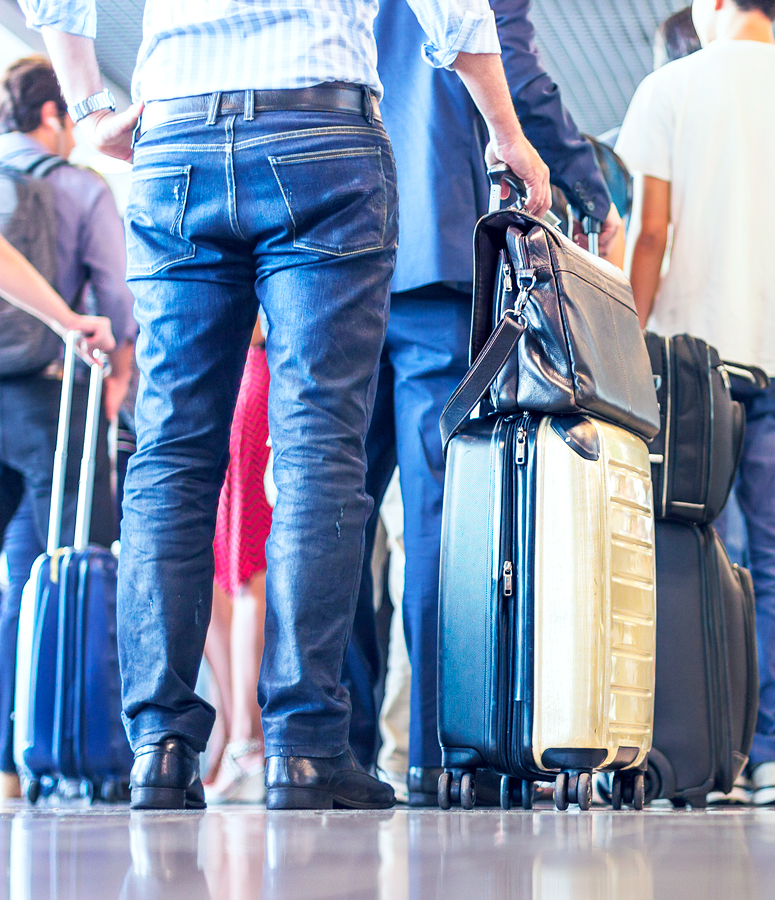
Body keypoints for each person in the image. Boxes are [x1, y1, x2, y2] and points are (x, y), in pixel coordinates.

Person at [21, 0, 551, 811]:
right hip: (320, 133)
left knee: (171, 450)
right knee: (317, 450)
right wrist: (505, 132)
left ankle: (159, 747)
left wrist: (88, 101)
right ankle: (303, 749)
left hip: (176, 140)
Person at [364, 0, 624, 805]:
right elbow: (512, 64)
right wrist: (592, 192)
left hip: (327, 252)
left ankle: (319, 748)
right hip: (434, 243)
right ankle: (445, 752)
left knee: (330, 501)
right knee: (443, 514)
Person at [617, 0, 775, 805]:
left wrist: (627, 348)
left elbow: (650, 233)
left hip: (693, 362)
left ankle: (700, 751)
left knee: (695, 549)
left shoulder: (671, 89)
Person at [1, 56, 133, 798]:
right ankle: (36, 749)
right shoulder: (82, 187)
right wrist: (114, 377)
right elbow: (117, 301)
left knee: (15, 581)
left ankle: (5, 773)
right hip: (48, 400)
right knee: (46, 572)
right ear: (53, 116)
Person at [202, 316, 271, 804]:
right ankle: (243, 742)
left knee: (236, 570)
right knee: (238, 571)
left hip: (225, 377)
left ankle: (243, 741)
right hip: (249, 374)